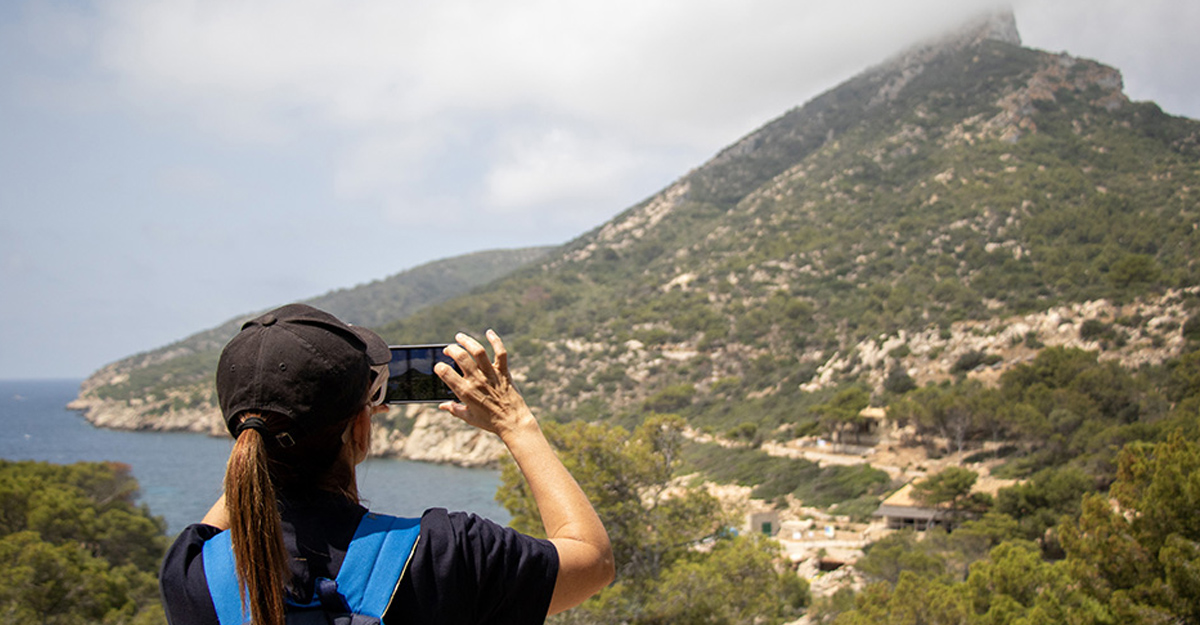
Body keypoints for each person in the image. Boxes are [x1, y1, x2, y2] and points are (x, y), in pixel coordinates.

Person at [159, 303, 614, 625]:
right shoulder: (445, 553)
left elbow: (235, 501)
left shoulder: (193, 572)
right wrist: (516, 423)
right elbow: (592, 560)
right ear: (360, 429)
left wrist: (263, 430)